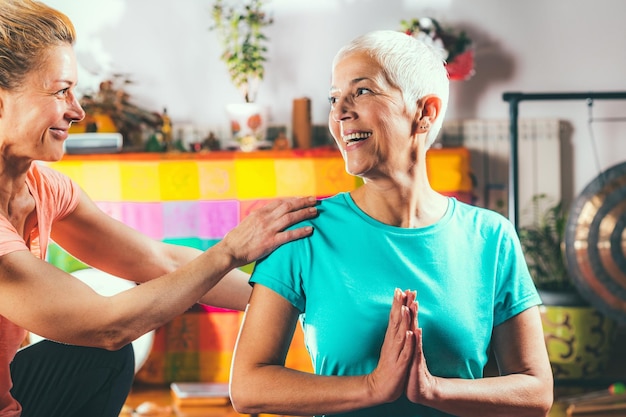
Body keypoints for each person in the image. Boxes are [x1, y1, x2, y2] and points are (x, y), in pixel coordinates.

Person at [0, 1, 317, 417]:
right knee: (105, 344)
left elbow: (159, 259)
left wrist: (301, 298)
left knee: (100, 362)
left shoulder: (43, 187)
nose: (77, 111)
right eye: (61, 91)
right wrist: (229, 251)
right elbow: (105, 323)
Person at [229, 30, 554, 417]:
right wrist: (371, 387)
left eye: (362, 92)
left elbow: (536, 391)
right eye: (334, 98)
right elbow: (248, 387)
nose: (340, 112)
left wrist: (434, 391)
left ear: (425, 112)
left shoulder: (491, 237)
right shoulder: (303, 233)